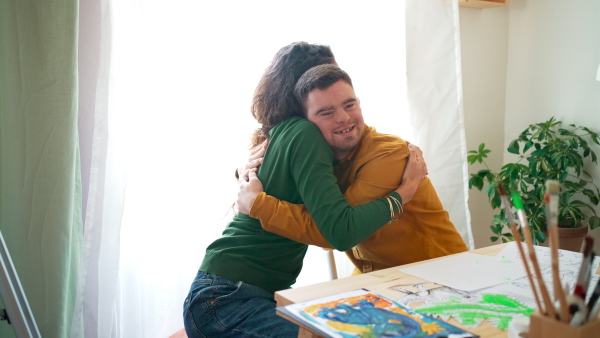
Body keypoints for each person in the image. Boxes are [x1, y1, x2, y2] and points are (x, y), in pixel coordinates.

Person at [183, 43, 426, 338]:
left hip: (227, 291)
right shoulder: (304, 134)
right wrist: (404, 192)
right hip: (227, 299)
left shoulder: (285, 131)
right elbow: (340, 231)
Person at [238, 63, 468, 275]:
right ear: (306, 124)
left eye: (350, 104)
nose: (344, 118)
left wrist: (258, 205)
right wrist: (244, 171)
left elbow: (338, 230)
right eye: (326, 112)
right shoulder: (322, 162)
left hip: (442, 274)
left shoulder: (389, 154)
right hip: (381, 279)